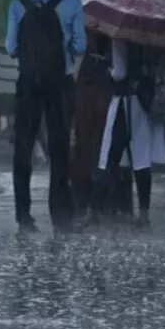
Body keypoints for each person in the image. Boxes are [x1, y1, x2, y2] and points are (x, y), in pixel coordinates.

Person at [6, 0, 86, 231]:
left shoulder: (19, 5)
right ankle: (60, 214)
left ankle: (23, 215)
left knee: (23, 147)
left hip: (28, 82)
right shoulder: (72, 3)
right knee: (59, 147)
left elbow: (11, 48)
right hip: (59, 83)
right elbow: (80, 47)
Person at [100, 37, 165, 228]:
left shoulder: (119, 38)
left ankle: (100, 208)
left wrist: (108, 70)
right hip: (142, 101)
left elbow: (119, 73)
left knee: (109, 156)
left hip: (123, 101)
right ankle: (144, 212)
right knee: (142, 159)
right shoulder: (146, 38)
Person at [71, 28, 120, 220]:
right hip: (101, 98)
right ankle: (100, 204)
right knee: (100, 150)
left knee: (88, 149)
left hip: (91, 99)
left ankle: (88, 204)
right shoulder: (113, 41)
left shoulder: (83, 48)